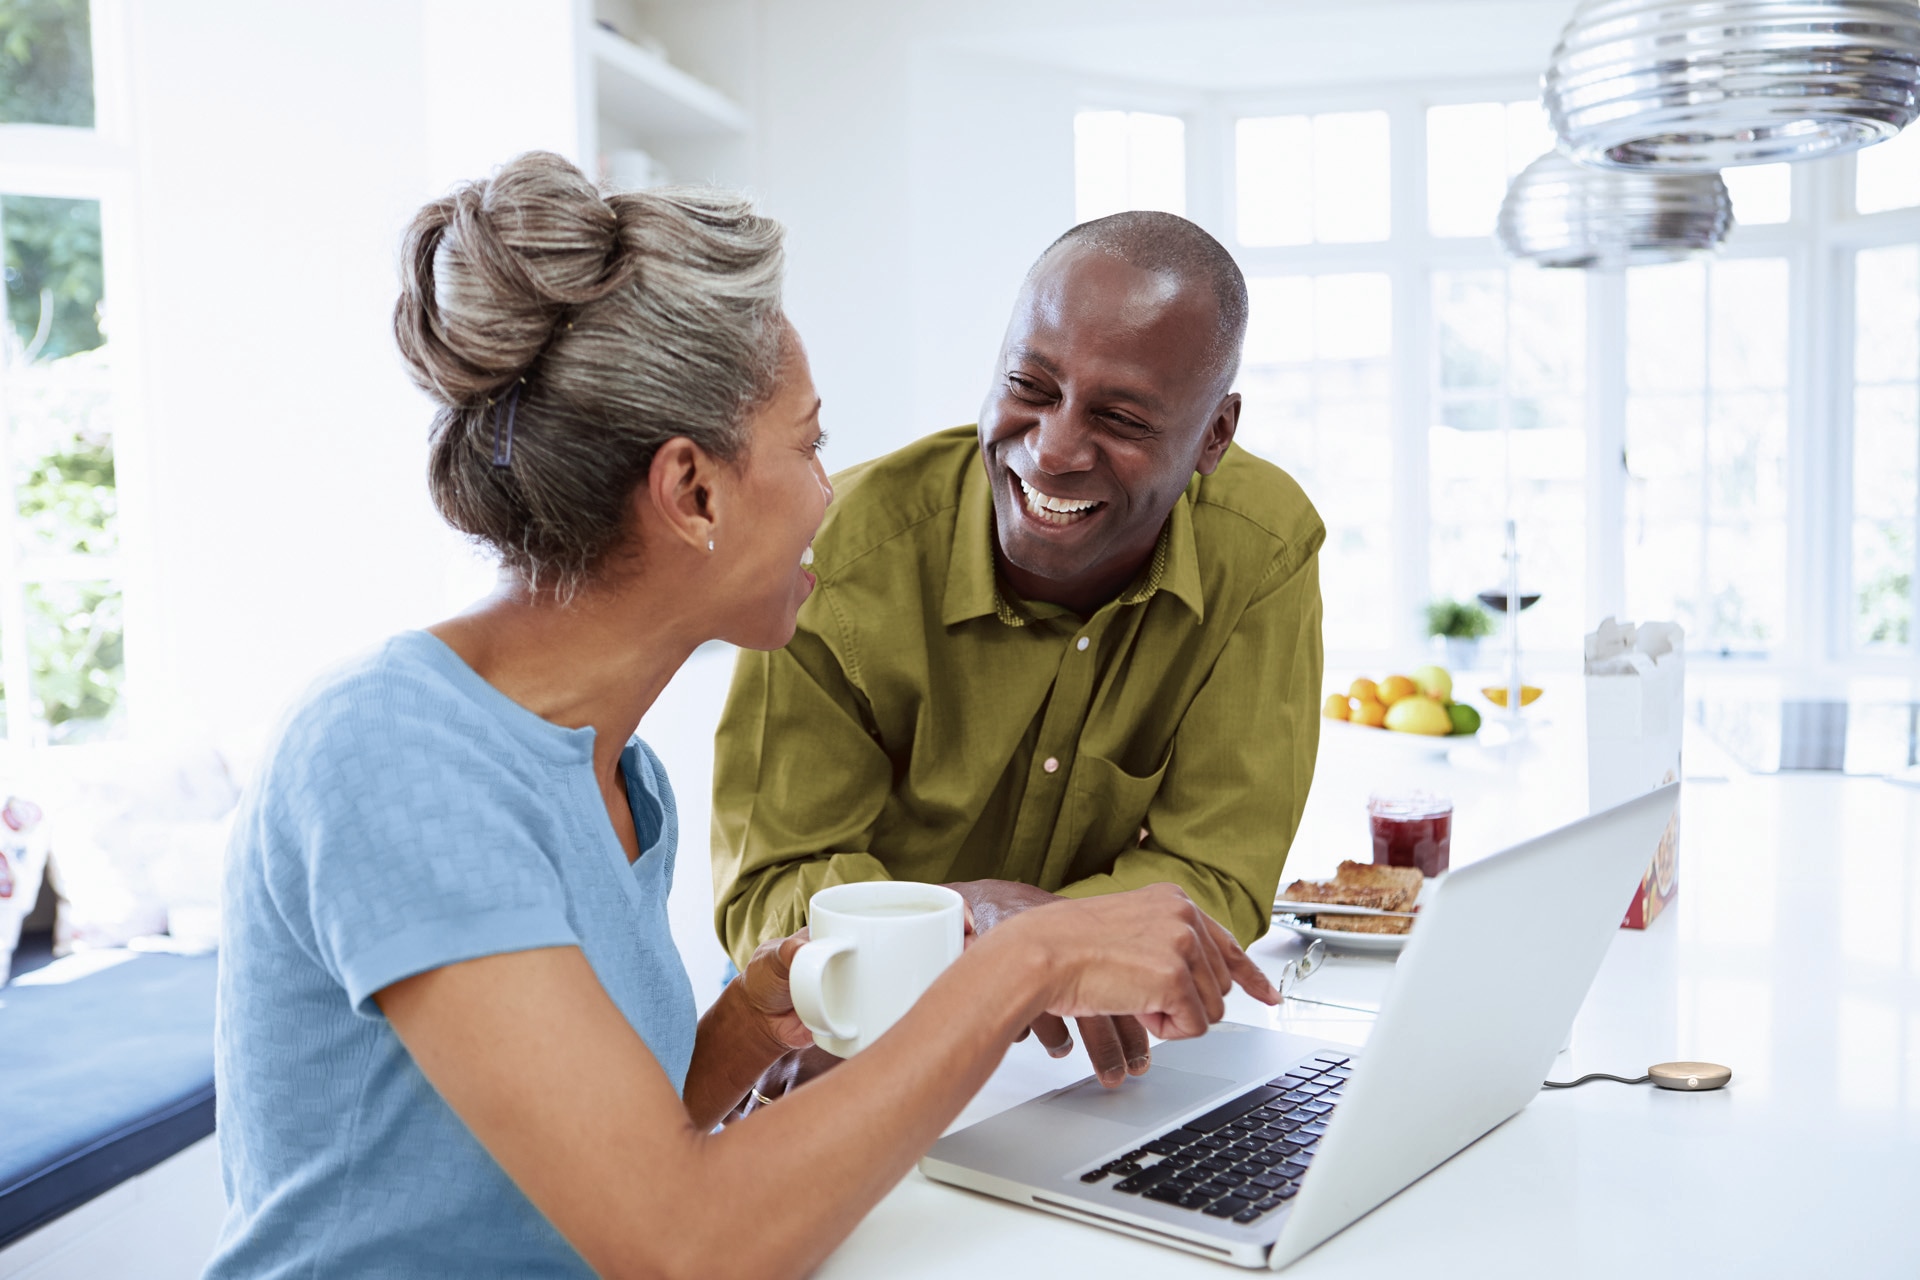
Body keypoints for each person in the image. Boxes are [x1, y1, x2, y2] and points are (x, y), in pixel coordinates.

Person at [203, 152, 1277, 1280]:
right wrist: (1028, 958)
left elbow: (584, 1162)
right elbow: (683, 1242)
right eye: (809, 443)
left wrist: (738, 1038)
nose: (830, 489)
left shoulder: (613, 778)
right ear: (693, 492)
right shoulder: (394, 753)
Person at [711, 213, 1326, 1095]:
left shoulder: (1263, 550)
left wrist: (1038, 951)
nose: (1054, 448)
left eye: (1119, 417)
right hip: (849, 1045)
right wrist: (987, 931)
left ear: (1215, 436)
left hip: (1088, 1061)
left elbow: (1214, 873)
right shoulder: (832, 556)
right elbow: (770, 894)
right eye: (1030, 386)